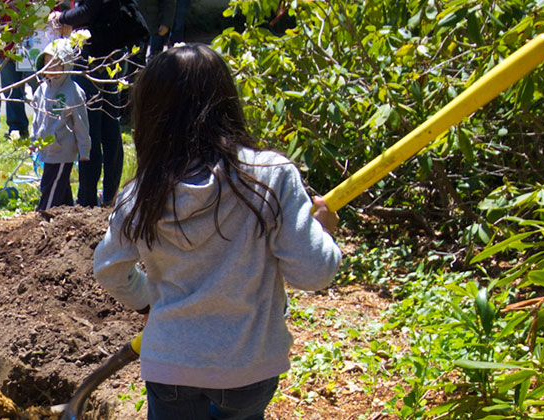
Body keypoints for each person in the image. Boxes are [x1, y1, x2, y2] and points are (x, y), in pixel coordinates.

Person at [91, 45, 341, 420]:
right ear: (226, 101)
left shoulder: (141, 192)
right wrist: (322, 230)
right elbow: (314, 272)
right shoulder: (270, 176)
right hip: (248, 367)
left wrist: (148, 300)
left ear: (150, 116)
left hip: (170, 365)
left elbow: (109, 268)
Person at [58, 0, 146, 206]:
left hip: (96, 52)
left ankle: (88, 200)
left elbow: (89, 10)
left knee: (91, 129)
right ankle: (111, 197)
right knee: (109, 126)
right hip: (113, 48)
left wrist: (60, 17)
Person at [29, 46, 89, 211]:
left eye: (56, 64)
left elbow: (81, 123)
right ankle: (69, 215)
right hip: (46, 149)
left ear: (67, 66)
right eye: (47, 63)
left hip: (63, 149)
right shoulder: (41, 89)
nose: (51, 68)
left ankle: (43, 215)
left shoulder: (73, 92)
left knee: (50, 187)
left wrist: (84, 150)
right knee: (60, 187)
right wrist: (33, 141)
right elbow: (36, 119)